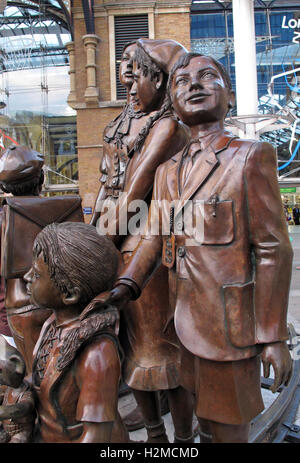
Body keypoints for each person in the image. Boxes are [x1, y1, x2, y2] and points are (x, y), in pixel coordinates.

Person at [88, 52, 293, 443]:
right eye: (182, 81)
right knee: (201, 422)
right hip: (180, 327)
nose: (194, 84)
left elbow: (272, 251)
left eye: (207, 76)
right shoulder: (167, 172)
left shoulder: (249, 158)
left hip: (229, 329)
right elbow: (153, 236)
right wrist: (124, 288)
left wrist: (272, 337)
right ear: (175, 104)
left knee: (229, 428)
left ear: (228, 97)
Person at [91, 39, 194, 443]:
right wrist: (94, 234)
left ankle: (181, 438)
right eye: (127, 75)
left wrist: (93, 249)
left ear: (163, 81)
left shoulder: (168, 127)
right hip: (113, 238)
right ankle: (154, 434)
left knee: (159, 351)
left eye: (140, 77)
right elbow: (106, 185)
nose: (130, 87)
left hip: (147, 248)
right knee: (130, 349)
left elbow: (136, 190)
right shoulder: (125, 121)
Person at [24, 222, 128, 443]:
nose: (26, 277)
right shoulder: (53, 324)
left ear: (69, 294)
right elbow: (42, 386)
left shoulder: (97, 354)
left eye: (37, 274)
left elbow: (95, 437)